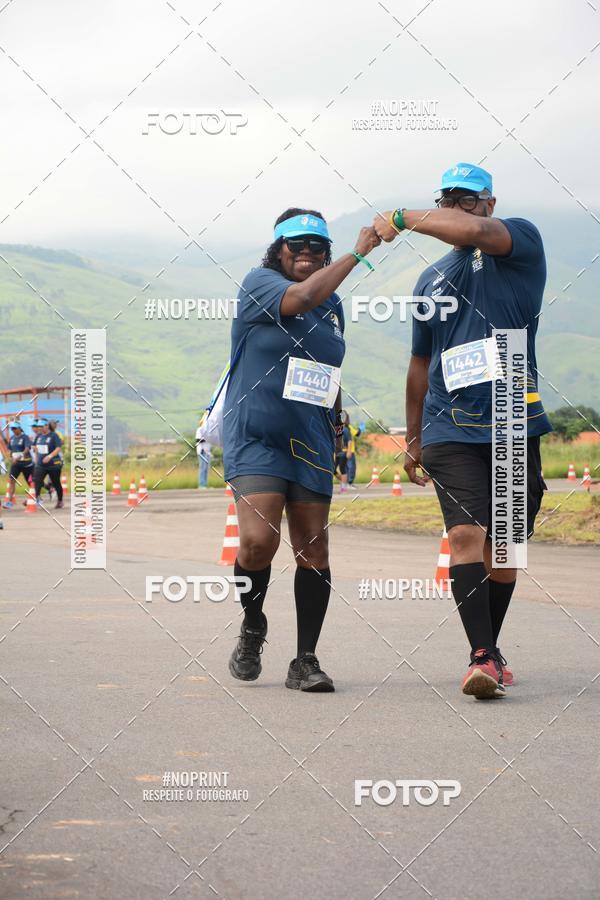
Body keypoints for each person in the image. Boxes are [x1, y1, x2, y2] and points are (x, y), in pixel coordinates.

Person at [374, 162, 551, 699]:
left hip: (512, 418)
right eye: (450, 197)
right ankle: (480, 655)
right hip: (448, 424)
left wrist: (403, 217)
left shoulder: (519, 240)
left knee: (507, 548)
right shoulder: (429, 280)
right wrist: (413, 436)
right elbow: (419, 363)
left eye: (468, 198)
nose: (459, 206)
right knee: (468, 534)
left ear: (490, 203)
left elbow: (474, 234)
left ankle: (490, 651)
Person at [224, 208, 380, 691]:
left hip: (310, 440)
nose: (308, 254)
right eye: (297, 245)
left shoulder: (332, 308)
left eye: (318, 247)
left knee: (313, 548)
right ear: (278, 249)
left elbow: (329, 372)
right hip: (257, 437)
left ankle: (305, 661)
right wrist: (359, 250)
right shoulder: (260, 284)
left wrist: (335, 423)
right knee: (258, 542)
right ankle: (253, 626)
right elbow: (303, 296)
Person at [32, 418, 64, 508]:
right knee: (37, 481)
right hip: (41, 464)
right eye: (38, 427)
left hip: (53, 465)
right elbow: (34, 446)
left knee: (56, 482)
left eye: (41, 426)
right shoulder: (38, 436)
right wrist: (35, 453)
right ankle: (38, 499)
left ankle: (60, 501)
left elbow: (58, 448)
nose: (40, 428)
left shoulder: (54, 436)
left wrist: (49, 456)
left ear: (46, 426)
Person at [3, 421, 34, 508]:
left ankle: (35, 497)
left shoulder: (25, 437)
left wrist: (20, 456)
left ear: (19, 428)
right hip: (16, 464)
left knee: (30, 482)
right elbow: (10, 449)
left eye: (15, 428)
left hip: (26, 463)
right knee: (12, 481)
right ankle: (9, 501)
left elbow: (27, 448)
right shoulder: (12, 438)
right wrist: (10, 457)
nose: (13, 430)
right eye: (12, 428)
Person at [195, 422, 212, 488]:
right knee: (202, 468)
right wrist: (207, 438)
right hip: (202, 451)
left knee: (206, 469)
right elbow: (198, 440)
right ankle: (201, 484)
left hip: (208, 452)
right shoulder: (200, 429)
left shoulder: (209, 430)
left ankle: (205, 484)